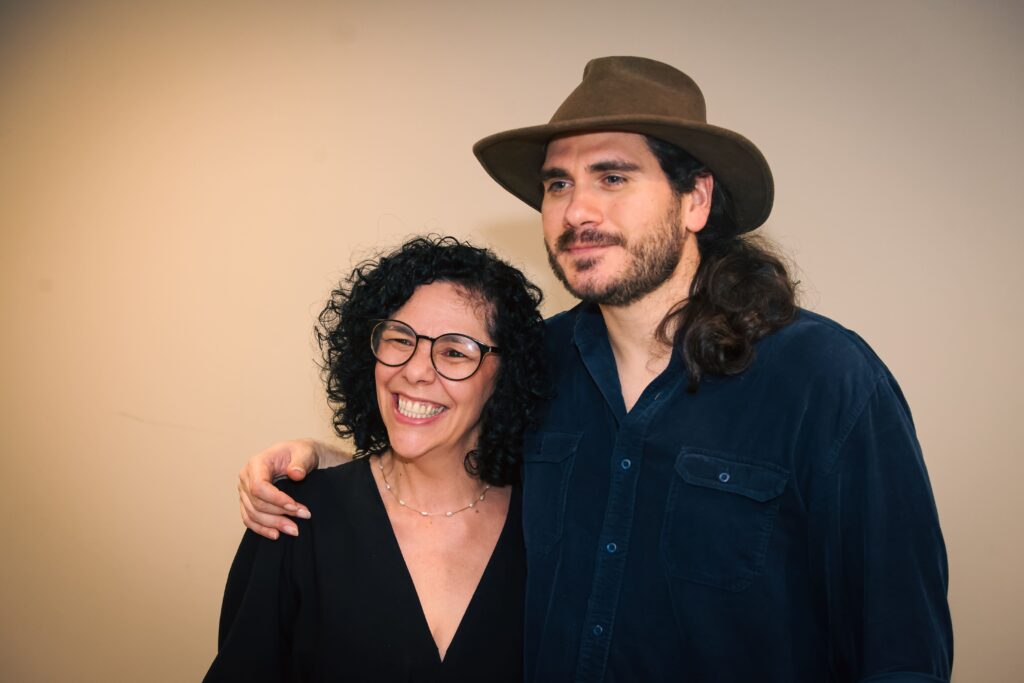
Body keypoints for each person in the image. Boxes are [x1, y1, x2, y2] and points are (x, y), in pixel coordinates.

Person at [237, 57, 953, 681]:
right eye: (557, 184)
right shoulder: (532, 366)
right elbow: (443, 467)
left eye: (612, 176)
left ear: (695, 198)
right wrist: (324, 467)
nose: (576, 209)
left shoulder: (825, 381)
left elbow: (901, 654)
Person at [206, 236, 547, 681]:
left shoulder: (544, 530)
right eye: (400, 339)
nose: (416, 370)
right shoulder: (293, 516)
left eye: (454, 351)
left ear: (506, 375)